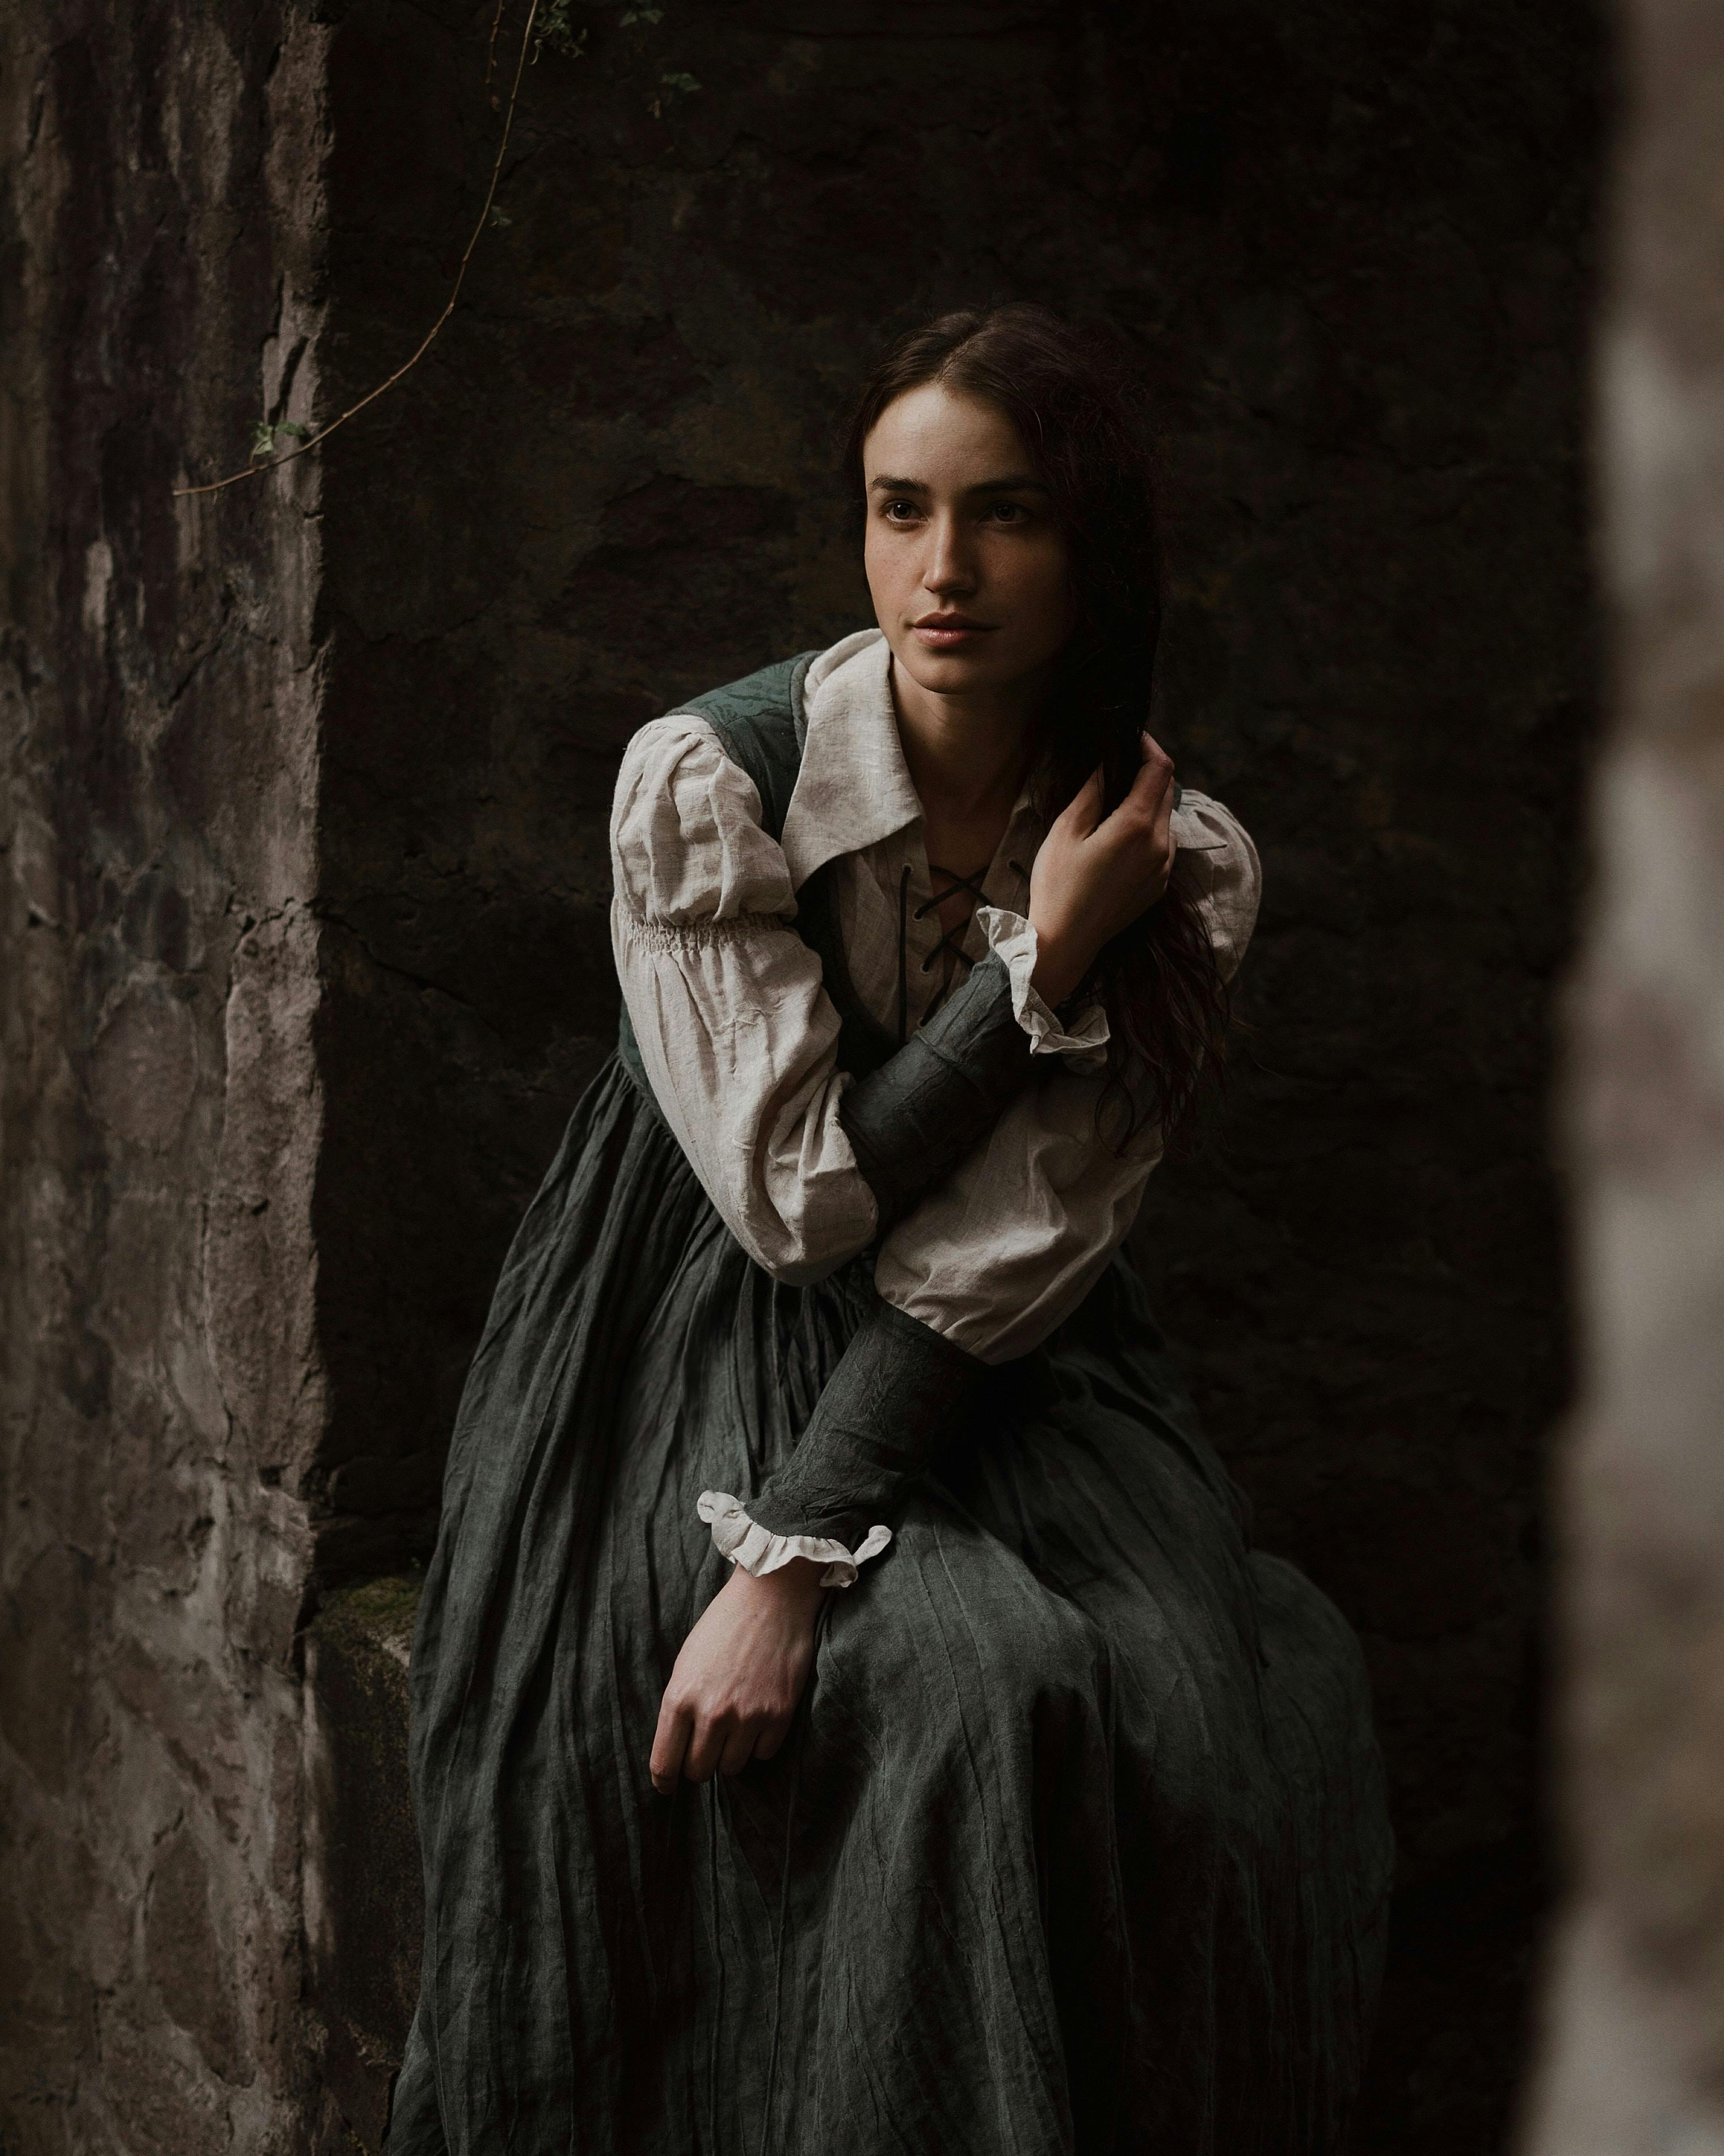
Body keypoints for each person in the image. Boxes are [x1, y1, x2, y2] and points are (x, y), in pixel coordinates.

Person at [387, 304, 1393, 2156]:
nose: (945, 571)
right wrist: (1037, 973)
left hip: (1012, 1353)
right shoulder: (711, 781)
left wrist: (1092, 933)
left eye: (1006, 515)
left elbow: (1008, 1248)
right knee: (966, 1682)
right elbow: (798, 1205)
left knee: (1180, 1715)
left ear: (1091, 548)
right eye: (900, 508)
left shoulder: (1190, 862)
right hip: (687, 1325)